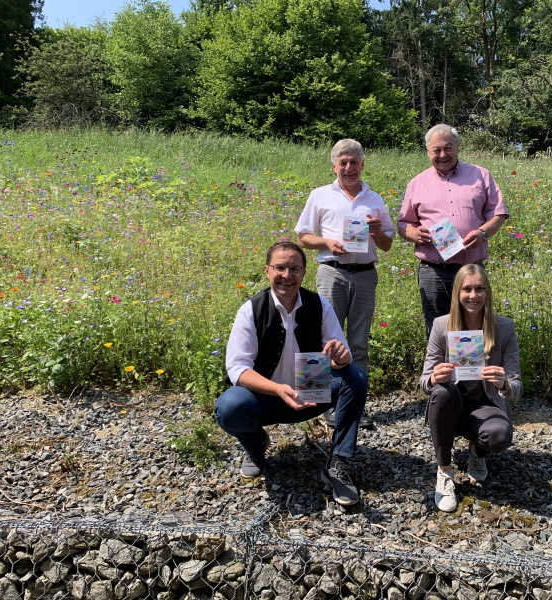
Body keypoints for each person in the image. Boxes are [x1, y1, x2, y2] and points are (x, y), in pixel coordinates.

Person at [214, 241, 368, 506]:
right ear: (267, 271)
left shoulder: (319, 305)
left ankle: (338, 461)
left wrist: (341, 358)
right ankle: (255, 445)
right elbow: (238, 369)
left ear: (304, 273)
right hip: (265, 397)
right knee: (229, 406)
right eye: (280, 268)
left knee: (355, 377)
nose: (287, 275)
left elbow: (342, 356)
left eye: (294, 269)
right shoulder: (251, 310)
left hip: (311, 391)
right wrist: (277, 390)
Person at [296, 139, 394, 428]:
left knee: (359, 343)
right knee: (324, 339)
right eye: (343, 162)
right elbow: (303, 235)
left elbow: (387, 245)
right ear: (334, 165)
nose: (349, 168)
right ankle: (317, 404)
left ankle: (354, 407)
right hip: (332, 272)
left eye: (354, 162)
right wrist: (326, 241)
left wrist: (377, 232)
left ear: (363, 165)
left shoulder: (375, 199)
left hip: (365, 274)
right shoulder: (320, 195)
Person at [420, 264, 523, 512]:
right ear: (457, 292)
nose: (473, 295)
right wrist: (435, 377)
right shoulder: (441, 326)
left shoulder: (505, 327)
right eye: (467, 289)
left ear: (487, 293)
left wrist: (504, 383)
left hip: (486, 406)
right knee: (441, 392)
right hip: (451, 405)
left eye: (479, 289)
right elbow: (424, 382)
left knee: (499, 435)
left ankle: (477, 452)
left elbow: (517, 389)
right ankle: (444, 470)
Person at [397, 124, 509, 337]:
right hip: (434, 270)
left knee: (476, 328)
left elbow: (499, 213)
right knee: (437, 330)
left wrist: (483, 233)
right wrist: (414, 234)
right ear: (428, 151)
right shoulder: (417, 183)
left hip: (471, 270)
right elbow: (403, 224)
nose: (442, 155)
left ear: (457, 147)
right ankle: (441, 371)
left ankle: (472, 371)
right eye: (436, 150)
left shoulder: (480, 175)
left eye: (448, 148)